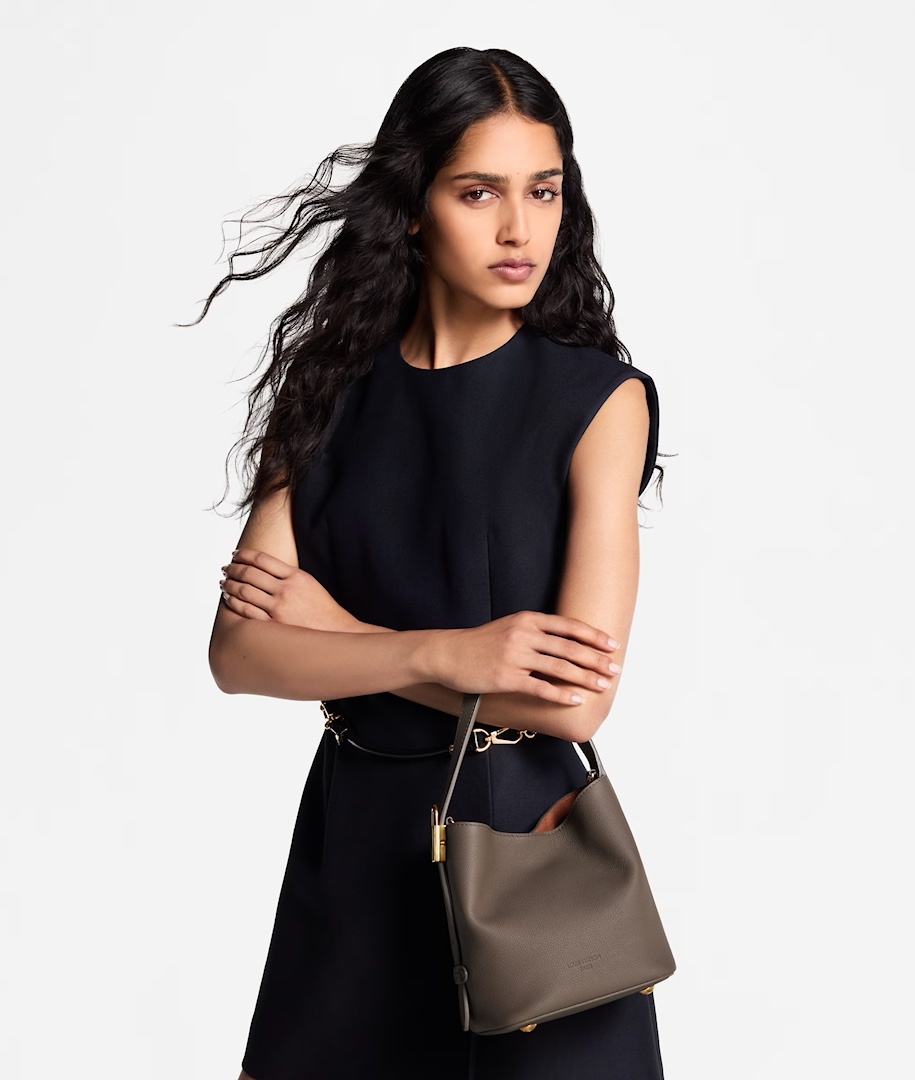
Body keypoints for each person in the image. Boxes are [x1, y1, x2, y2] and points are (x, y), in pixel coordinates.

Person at [194, 46, 666, 1080]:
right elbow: (240, 653)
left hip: (528, 864)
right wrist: (447, 654)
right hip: (355, 852)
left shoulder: (599, 401)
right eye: (478, 192)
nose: (519, 229)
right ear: (414, 207)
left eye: (543, 190)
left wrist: (343, 636)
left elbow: (576, 701)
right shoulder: (324, 394)